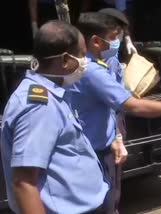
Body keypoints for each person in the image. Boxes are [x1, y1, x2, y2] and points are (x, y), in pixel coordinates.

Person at [69, 12, 161, 214]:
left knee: (111, 197)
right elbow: (132, 105)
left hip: (102, 143)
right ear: (96, 41)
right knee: (102, 204)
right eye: (114, 36)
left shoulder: (100, 63)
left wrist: (116, 137)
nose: (118, 41)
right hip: (92, 151)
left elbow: (107, 108)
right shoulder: (92, 71)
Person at [1, 21, 109, 214]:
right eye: (83, 55)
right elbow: (24, 182)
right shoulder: (38, 105)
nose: (87, 62)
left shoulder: (53, 93)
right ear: (66, 60)